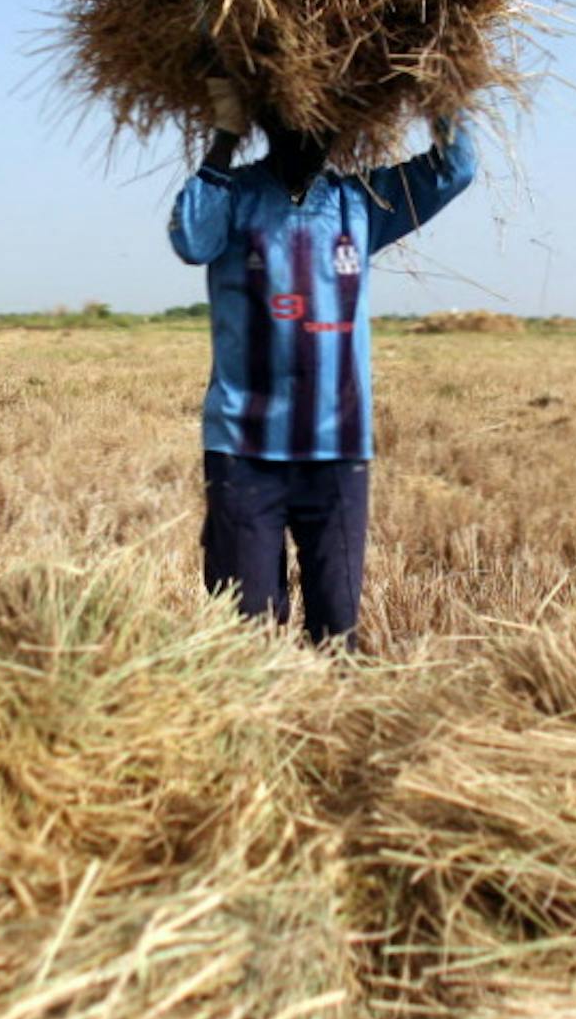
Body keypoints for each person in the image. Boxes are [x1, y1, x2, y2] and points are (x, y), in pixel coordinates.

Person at [168, 77, 477, 651]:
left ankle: (335, 728)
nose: (309, 134)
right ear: (269, 123)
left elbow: (453, 168)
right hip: (244, 446)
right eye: (291, 119)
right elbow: (190, 240)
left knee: (338, 631)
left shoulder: (362, 204)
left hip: (337, 448)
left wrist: (440, 86)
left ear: (342, 129)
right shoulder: (232, 197)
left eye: (323, 122)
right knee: (245, 631)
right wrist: (223, 136)